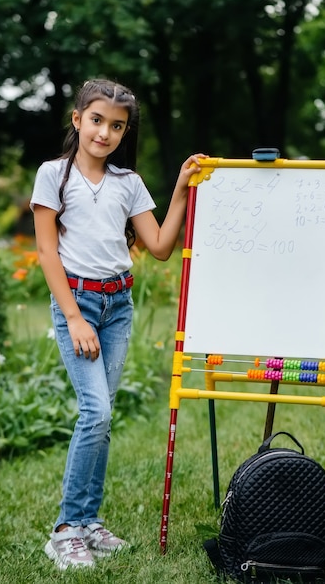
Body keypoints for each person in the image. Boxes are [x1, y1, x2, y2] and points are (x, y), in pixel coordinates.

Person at [30, 78, 207, 571]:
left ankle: (88, 522)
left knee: (102, 422)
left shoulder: (128, 183)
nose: (104, 133)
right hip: (78, 306)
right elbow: (46, 251)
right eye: (96, 121)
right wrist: (73, 318)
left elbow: (160, 246)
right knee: (97, 413)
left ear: (124, 132)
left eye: (116, 126)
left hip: (118, 308)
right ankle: (65, 529)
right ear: (77, 119)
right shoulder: (53, 175)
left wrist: (179, 189)